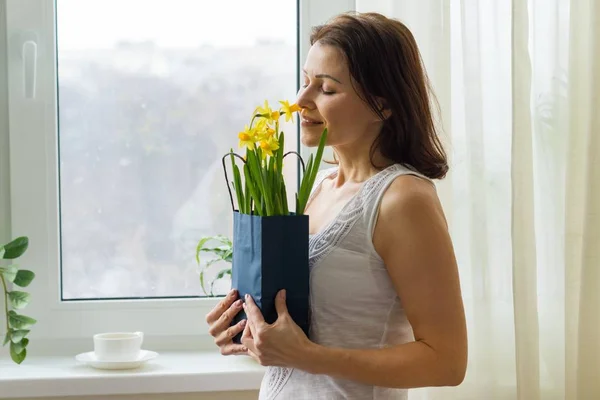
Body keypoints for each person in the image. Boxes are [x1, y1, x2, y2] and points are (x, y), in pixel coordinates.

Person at [205, 11, 468, 400]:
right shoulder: (320, 189)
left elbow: (446, 362)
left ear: (383, 106)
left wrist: (310, 356)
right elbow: (309, 333)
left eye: (326, 89)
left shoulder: (402, 199)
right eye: (305, 82)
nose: (301, 102)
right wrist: (247, 329)